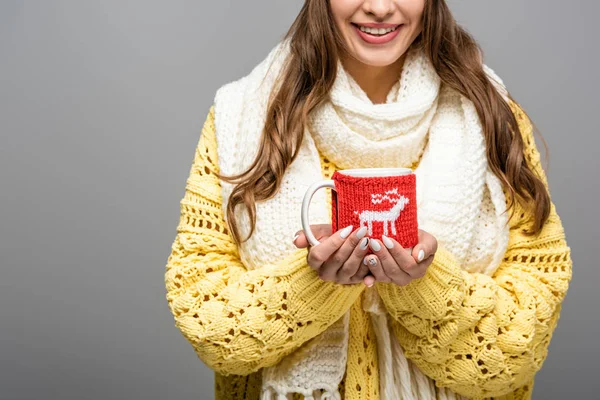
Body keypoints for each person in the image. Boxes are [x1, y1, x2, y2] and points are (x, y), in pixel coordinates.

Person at [164, 1, 573, 399]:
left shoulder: (490, 115)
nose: (379, 7)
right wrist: (313, 283)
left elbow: (521, 343)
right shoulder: (242, 117)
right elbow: (208, 323)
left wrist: (422, 285)